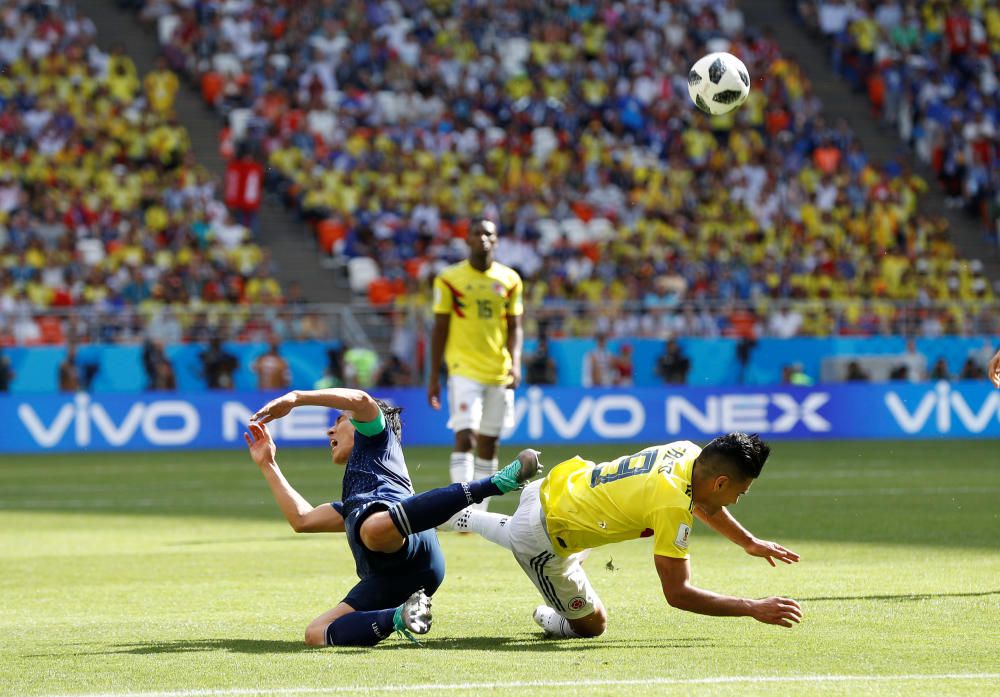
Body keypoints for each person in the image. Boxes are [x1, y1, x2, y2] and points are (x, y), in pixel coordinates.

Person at [245, 387, 541, 647]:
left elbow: (361, 399)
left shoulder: (377, 437)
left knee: (371, 529)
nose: (330, 431)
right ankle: (401, 616)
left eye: (339, 421)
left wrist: (296, 398)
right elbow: (303, 519)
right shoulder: (354, 503)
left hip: (404, 538)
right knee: (316, 633)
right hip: (396, 576)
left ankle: (496, 483)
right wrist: (268, 464)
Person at [449, 433, 801, 639]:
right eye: (739, 493)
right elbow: (678, 594)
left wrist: (747, 542)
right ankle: (550, 610)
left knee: (576, 541)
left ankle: (462, 516)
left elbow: (703, 503)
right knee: (591, 626)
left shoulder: (688, 452)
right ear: (721, 482)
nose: (737, 500)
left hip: (556, 488)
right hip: (544, 536)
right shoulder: (671, 506)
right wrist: (752, 607)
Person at [428, 218, 524, 512]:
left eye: (489, 234)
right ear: (467, 239)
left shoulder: (510, 280)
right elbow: (440, 327)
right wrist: (434, 376)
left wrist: (516, 363)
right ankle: (462, 508)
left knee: (489, 444)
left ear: (496, 241)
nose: (483, 238)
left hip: (498, 370)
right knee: (466, 436)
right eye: (477, 233)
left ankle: (479, 513)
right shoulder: (448, 279)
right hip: (462, 369)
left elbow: (515, 326)